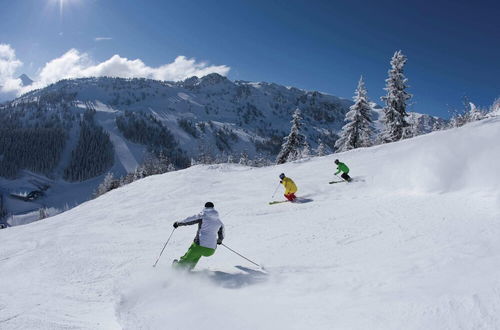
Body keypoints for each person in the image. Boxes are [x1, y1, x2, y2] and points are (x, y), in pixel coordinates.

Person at [172, 202, 225, 270]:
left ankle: (177, 268)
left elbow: (189, 220)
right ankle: (189, 268)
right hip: (211, 250)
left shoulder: (202, 216)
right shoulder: (219, 221)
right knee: (198, 254)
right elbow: (222, 233)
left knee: (190, 254)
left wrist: (178, 223)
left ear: (205, 207)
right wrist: (219, 240)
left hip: (199, 245)